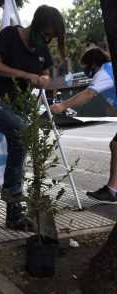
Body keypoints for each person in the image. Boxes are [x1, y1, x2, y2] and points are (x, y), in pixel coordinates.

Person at [0, 5, 65, 230]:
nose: (47, 40)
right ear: (36, 24)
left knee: (20, 145)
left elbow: (45, 73)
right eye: (46, 34)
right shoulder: (10, 35)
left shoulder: (42, 49)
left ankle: (14, 215)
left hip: (20, 108)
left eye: (51, 37)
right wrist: (26, 75)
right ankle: (14, 198)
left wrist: (44, 79)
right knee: (23, 134)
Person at [51, 47, 117, 204]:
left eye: (85, 66)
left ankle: (112, 191)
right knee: (115, 145)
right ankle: (112, 190)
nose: (85, 70)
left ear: (93, 64)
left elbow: (88, 94)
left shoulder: (104, 72)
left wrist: (62, 106)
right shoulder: (108, 71)